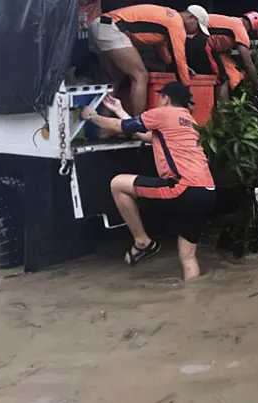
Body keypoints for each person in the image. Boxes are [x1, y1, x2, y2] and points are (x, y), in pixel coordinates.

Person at [80, 83, 216, 281]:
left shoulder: (163, 113)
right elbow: (144, 134)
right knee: (188, 257)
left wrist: (92, 116)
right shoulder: (188, 121)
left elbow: (122, 127)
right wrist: (119, 110)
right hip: (207, 190)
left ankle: (142, 241)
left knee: (117, 184)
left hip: (182, 187)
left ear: (166, 98)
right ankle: (193, 297)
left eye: (160, 96)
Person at [88, 4, 210, 115]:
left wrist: (173, 65)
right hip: (112, 28)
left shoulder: (168, 18)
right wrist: (186, 94)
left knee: (114, 79)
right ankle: (138, 127)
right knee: (140, 76)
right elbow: (180, 59)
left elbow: (161, 47)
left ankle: (103, 128)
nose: (194, 34)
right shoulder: (177, 24)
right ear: (191, 18)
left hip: (99, 25)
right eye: (197, 28)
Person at [206, 12, 258, 101]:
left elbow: (224, 55)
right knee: (223, 79)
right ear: (252, 30)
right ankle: (223, 111)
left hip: (199, 38)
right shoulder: (241, 29)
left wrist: (240, 73)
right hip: (202, 42)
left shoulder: (232, 22)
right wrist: (257, 85)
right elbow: (247, 63)